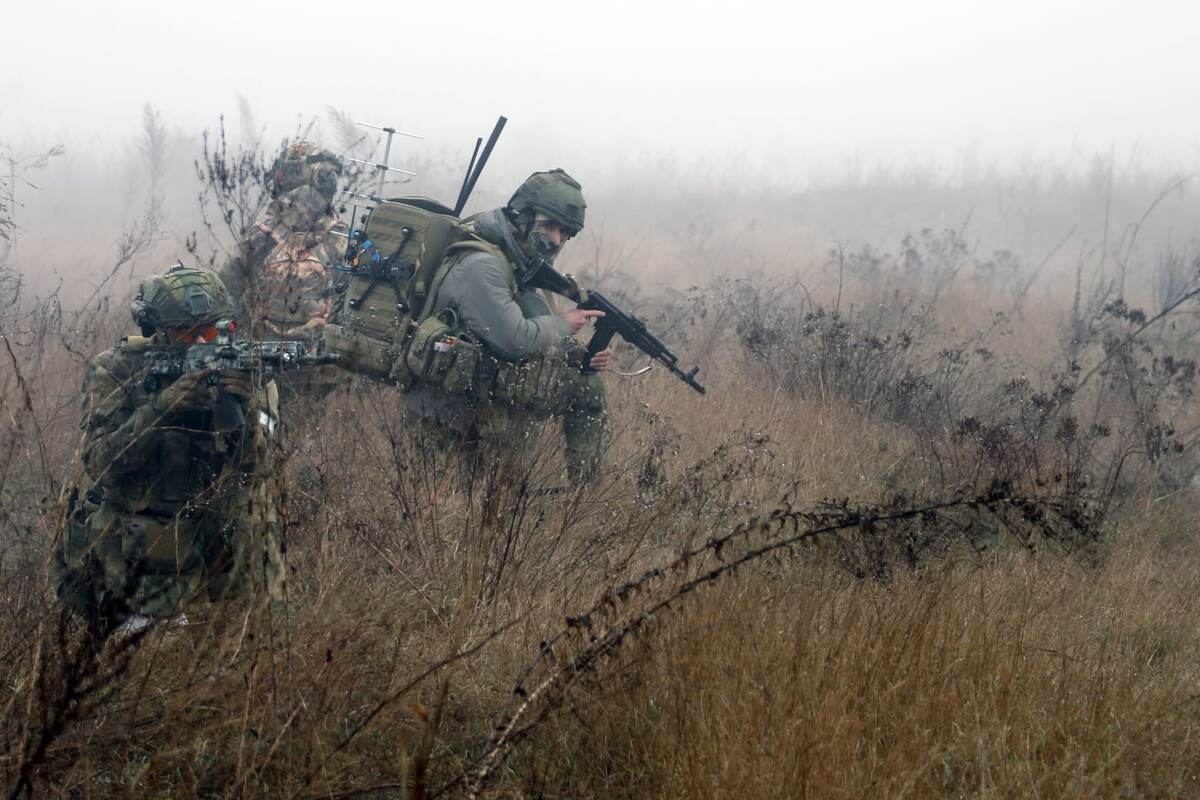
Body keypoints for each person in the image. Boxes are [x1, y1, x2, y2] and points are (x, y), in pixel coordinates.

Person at [52, 266, 285, 640]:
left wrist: (243, 407)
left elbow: (259, 464)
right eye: (188, 334)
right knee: (148, 647)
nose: (202, 343)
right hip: (145, 530)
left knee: (253, 629)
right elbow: (101, 463)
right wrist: (163, 407)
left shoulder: (245, 368)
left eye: (212, 331)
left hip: (217, 525)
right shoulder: (117, 369)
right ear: (159, 332)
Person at [405, 168, 610, 484]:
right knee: (446, 507)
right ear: (523, 216)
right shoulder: (484, 264)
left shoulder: (521, 261)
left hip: (485, 395)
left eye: (565, 232)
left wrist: (576, 355)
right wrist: (562, 324)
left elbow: (530, 319)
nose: (556, 239)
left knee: (587, 385)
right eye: (549, 226)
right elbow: (516, 338)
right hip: (446, 407)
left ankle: (583, 498)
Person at [218, 142, 347, 402]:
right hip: (260, 360)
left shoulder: (339, 239)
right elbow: (229, 284)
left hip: (318, 367)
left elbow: (349, 306)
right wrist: (227, 338)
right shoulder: (265, 233)